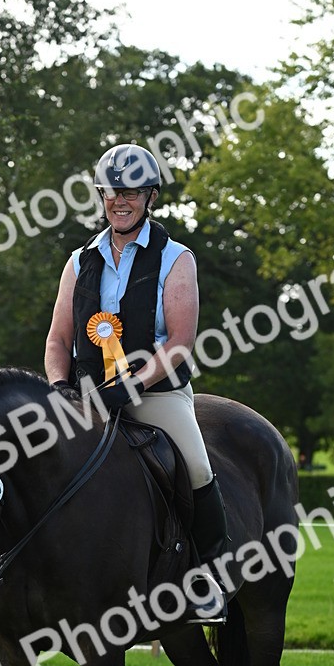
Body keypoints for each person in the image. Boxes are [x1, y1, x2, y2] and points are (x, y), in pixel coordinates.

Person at [44, 142, 228, 622]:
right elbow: (57, 341)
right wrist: (61, 387)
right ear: (101, 196)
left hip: (156, 394)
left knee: (196, 467)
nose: (119, 201)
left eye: (131, 192)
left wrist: (130, 387)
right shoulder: (79, 260)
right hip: (86, 398)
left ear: (150, 197)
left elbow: (180, 343)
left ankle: (209, 578)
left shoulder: (175, 258)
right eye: (110, 192)